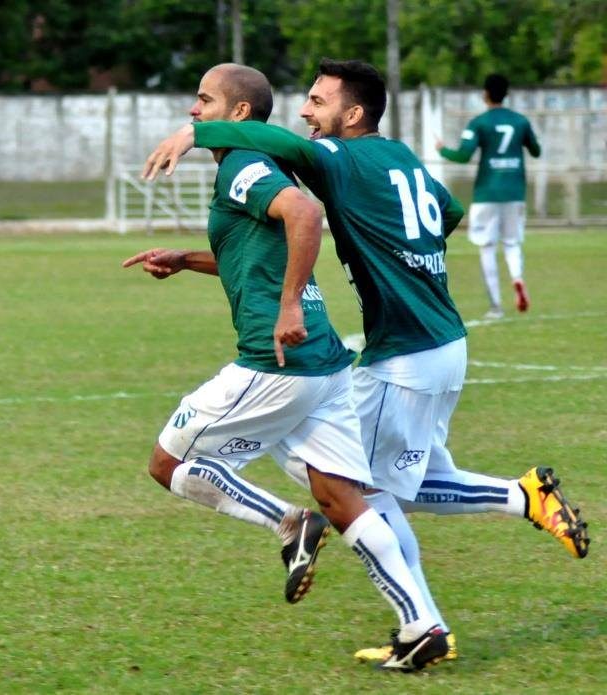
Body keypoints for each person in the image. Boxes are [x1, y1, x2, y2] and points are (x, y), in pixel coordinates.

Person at [142, 58, 589, 663]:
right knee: (383, 486)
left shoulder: (344, 159)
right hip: (442, 341)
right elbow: (449, 214)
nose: (307, 112)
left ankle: (446, 596)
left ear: (352, 115)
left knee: (359, 494)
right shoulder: (398, 155)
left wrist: (199, 133)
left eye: (319, 103)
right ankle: (431, 612)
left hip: (404, 353)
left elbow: (277, 149)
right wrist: (398, 246)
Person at [124, 62, 451, 672]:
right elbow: (255, 256)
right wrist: (187, 259)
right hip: (323, 363)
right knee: (344, 497)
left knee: (167, 463)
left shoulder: (245, 166)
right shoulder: (248, 169)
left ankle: (285, 520)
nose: (194, 111)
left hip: (277, 363)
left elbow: (304, 214)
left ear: (238, 114)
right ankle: (422, 625)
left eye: (204, 100)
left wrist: (289, 304)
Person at [437, 74, 541, 320]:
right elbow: (536, 151)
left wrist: (442, 149)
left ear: (485, 94)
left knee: (487, 247)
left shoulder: (479, 123)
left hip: (487, 194)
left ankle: (496, 306)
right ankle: (517, 278)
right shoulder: (520, 122)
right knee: (513, 243)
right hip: (515, 193)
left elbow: (463, 155)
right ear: (506, 94)